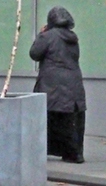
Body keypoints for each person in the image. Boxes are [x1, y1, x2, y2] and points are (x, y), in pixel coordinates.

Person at [30, 6, 86, 164]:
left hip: (52, 83)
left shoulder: (47, 36)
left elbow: (34, 53)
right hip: (73, 82)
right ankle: (74, 153)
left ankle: (47, 150)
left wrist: (41, 34)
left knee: (50, 117)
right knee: (71, 119)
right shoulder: (72, 37)